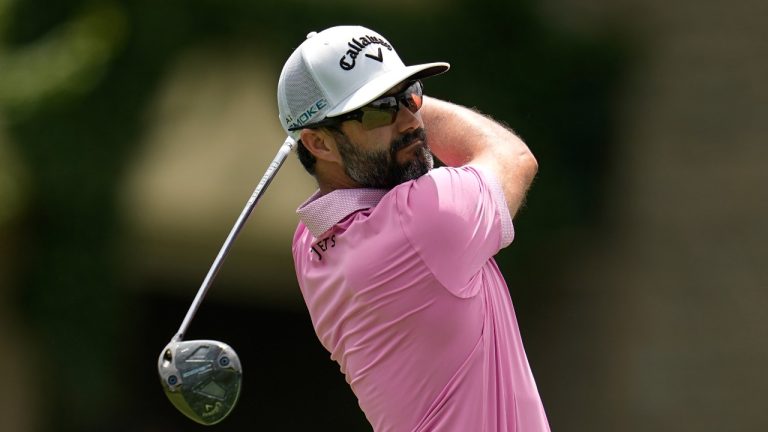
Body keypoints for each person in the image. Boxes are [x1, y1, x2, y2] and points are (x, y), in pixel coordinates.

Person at [277, 25, 549, 431]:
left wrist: (383, 93)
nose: (410, 121)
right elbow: (512, 157)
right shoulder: (420, 223)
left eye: (412, 96)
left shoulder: (309, 246)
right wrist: (394, 90)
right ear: (319, 144)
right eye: (376, 110)